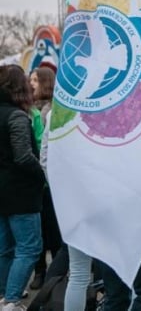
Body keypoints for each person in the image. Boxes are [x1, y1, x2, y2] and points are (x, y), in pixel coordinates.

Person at [0, 65, 45, 311]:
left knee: (5, 248)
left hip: (4, 193)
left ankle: (5, 295)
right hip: (21, 193)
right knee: (29, 248)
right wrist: (43, 173)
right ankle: (12, 299)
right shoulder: (16, 116)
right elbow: (23, 157)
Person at [28, 66, 60, 291]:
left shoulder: (51, 111)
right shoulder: (28, 111)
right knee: (38, 231)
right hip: (36, 181)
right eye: (30, 80)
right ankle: (40, 271)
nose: (31, 84)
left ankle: (55, 276)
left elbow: (45, 147)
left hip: (50, 182)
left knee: (54, 230)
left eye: (35, 80)